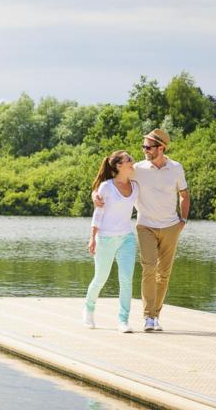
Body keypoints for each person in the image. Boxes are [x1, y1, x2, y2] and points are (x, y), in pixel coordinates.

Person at [93, 129, 189, 332]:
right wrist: (95, 194)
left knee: (164, 274)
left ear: (160, 148)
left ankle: (156, 315)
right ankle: (147, 317)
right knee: (149, 267)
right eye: (143, 146)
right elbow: (111, 176)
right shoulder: (137, 169)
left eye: (148, 147)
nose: (144, 150)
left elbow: (184, 194)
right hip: (145, 226)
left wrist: (183, 220)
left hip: (171, 226)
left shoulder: (176, 168)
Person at [83, 150, 138, 333]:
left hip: (127, 239)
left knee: (126, 279)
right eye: (128, 159)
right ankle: (88, 310)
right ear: (118, 166)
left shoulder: (135, 185)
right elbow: (98, 214)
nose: (132, 161)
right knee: (100, 278)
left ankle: (123, 320)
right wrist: (92, 238)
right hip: (105, 238)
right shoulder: (106, 187)